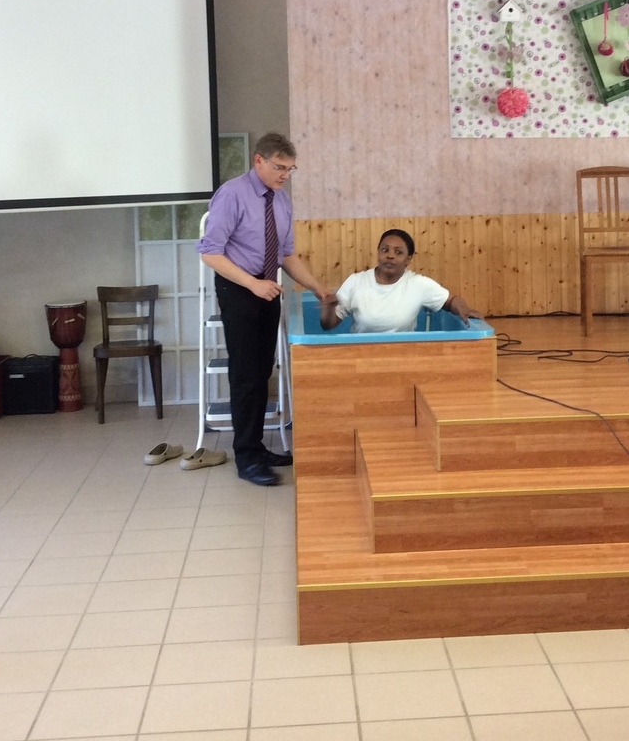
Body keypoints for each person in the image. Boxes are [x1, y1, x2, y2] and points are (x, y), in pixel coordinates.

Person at [198, 132, 336, 486]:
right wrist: (252, 284)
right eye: (279, 167)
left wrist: (316, 286)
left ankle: (257, 447)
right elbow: (210, 252)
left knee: (262, 371)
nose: (285, 175)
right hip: (239, 289)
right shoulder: (232, 194)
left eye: (290, 169)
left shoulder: (281, 201)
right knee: (245, 374)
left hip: (268, 288)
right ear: (258, 160)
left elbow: (286, 254)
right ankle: (246, 457)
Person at [320, 228, 480, 334]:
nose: (390, 255)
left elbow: (451, 301)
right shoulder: (356, 282)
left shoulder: (418, 284)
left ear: (408, 259)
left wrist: (463, 308)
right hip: (360, 357)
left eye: (398, 252)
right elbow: (327, 325)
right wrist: (328, 308)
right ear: (378, 253)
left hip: (404, 355)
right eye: (385, 250)